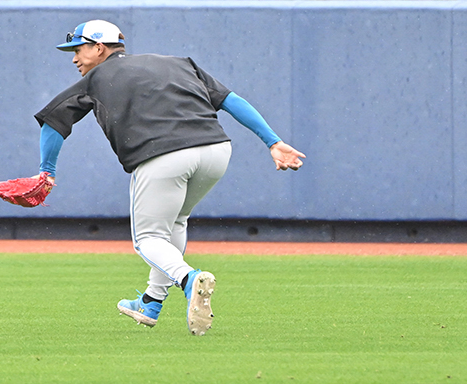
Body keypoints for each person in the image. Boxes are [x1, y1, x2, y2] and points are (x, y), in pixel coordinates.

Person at [33, 20, 304, 336]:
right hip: (216, 151)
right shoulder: (179, 63)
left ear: (98, 47)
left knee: (147, 238)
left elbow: (53, 122)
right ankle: (151, 302)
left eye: (78, 50)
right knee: (175, 223)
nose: (75, 58)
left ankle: (190, 279)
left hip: (164, 155)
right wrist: (272, 141)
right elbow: (231, 101)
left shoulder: (97, 78)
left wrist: (47, 172)